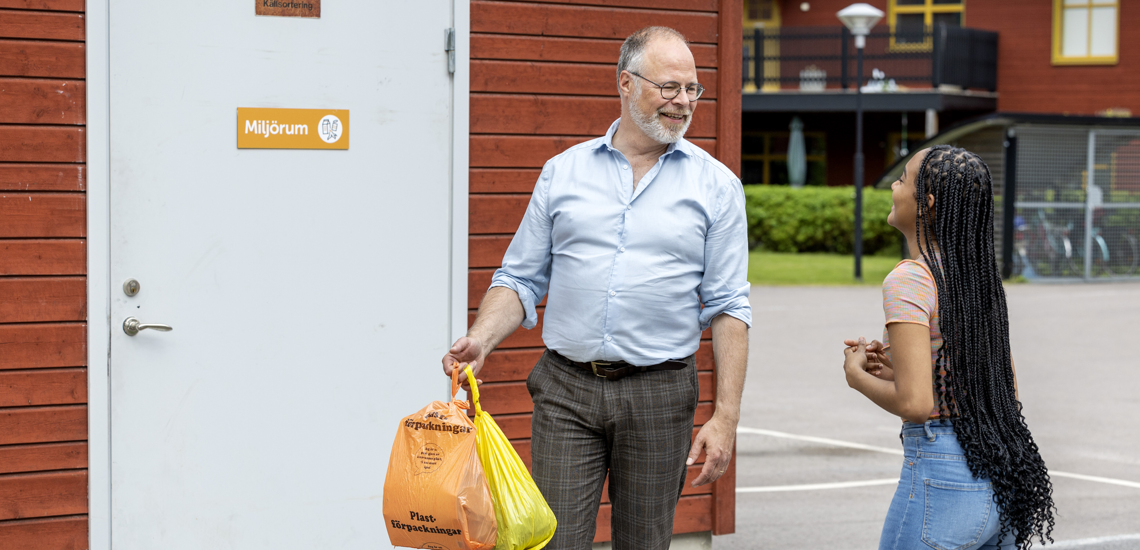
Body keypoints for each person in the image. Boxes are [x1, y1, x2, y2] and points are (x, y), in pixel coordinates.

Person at [441, 26, 751, 550]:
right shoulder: (563, 172)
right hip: (566, 391)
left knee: (644, 543)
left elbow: (728, 306)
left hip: (660, 392)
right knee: (554, 541)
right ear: (626, 84)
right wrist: (482, 340)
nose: (683, 102)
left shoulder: (717, 186)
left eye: (692, 89)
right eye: (668, 87)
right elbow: (519, 278)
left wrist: (726, 418)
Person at [842, 146, 1056, 550]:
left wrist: (857, 377)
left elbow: (917, 404)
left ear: (926, 204)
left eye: (902, 179)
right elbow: (998, 385)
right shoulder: (978, 279)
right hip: (1002, 474)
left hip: (943, 478)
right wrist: (895, 370)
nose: (894, 185)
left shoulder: (909, 278)